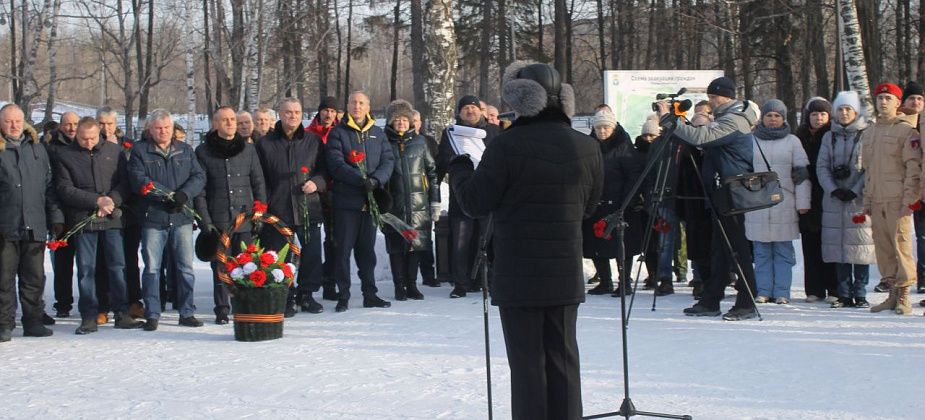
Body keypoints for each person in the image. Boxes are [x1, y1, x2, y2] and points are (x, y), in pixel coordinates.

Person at [449, 62, 602, 420]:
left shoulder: (506, 146)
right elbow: (591, 205)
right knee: (563, 360)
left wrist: (459, 169)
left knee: (528, 366)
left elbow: (474, 202)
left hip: (518, 272)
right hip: (565, 270)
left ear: (520, 99)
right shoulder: (587, 146)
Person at [656, 76, 759, 321]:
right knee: (720, 247)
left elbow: (701, 138)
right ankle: (712, 298)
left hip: (733, 191)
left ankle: (747, 300)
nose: (711, 101)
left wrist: (669, 120)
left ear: (728, 97)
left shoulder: (735, 120)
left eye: (715, 97)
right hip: (720, 190)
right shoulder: (725, 119)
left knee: (736, 248)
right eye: (711, 96)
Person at [54, 117, 145, 334]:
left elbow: (125, 183)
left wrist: (111, 200)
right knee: (87, 269)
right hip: (84, 220)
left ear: (99, 135)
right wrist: (96, 201)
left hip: (112, 218)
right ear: (77, 135)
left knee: (117, 266)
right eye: (84, 139)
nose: (88, 143)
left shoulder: (115, 151)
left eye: (92, 138)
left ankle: (122, 312)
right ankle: (89, 315)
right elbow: (65, 188)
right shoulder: (65, 156)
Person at [127, 110, 206, 331]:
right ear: (150, 129)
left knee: (185, 268)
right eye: (158, 128)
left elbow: (199, 176)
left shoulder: (185, 150)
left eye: (167, 128)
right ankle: (152, 313)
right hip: (154, 217)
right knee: (152, 268)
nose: (163, 132)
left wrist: (183, 195)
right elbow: (138, 179)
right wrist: (165, 196)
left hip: (181, 217)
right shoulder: (140, 151)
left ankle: (186, 311)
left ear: (173, 129)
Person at [194, 106, 267, 323]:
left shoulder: (247, 149)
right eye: (224, 120)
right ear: (215, 124)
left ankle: (243, 305)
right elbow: (200, 192)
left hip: (244, 218)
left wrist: (259, 213)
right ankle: (222, 309)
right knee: (221, 267)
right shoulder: (203, 152)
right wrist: (205, 221)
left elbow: (258, 182)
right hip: (218, 221)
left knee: (245, 265)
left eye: (232, 119)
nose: (230, 123)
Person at [256, 98, 328, 316]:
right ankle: (285, 295)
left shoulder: (313, 141)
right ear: (280, 114)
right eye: (288, 112)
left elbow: (325, 171)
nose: (293, 116)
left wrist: (317, 183)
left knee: (312, 253)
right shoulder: (265, 144)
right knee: (279, 256)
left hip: (308, 207)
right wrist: (264, 206)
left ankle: (307, 294)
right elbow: (259, 178)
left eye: (297, 112)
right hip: (278, 210)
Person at [326, 91, 395, 312]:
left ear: (368, 106)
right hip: (347, 202)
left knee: (367, 251)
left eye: (361, 103)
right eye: (353, 103)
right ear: (347, 106)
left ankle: (370, 293)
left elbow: (388, 160)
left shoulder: (377, 133)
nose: (357, 106)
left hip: (370, 200)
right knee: (343, 250)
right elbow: (335, 163)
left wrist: (376, 180)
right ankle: (343, 295)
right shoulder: (339, 133)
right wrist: (359, 179)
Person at [0, 104, 62, 342]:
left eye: (17, 121)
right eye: (8, 121)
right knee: (4, 278)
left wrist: (55, 218)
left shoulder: (37, 149)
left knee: (34, 277)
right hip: (6, 226)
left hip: (34, 224)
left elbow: (49, 187)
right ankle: (4, 324)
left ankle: (33, 321)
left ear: (24, 121)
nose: (14, 126)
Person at [744, 100, 811, 305]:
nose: (773, 119)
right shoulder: (750, 140)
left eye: (777, 116)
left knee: (783, 251)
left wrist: (803, 201)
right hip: (757, 203)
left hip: (784, 202)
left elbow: (801, 175)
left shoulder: (793, 141)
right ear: (762, 118)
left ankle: (782, 291)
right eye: (769, 115)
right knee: (761, 252)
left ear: (784, 118)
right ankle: (763, 290)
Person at [863, 83, 921, 315]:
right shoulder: (870, 132)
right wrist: (867, 199)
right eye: (880, 98)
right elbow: (867, 170)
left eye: (888, 98)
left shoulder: (907, 131)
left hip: (897, 199)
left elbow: (913, 167)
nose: (883, 102)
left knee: (901, 245)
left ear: (898, 103)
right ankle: (892, 294)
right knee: (883, 247)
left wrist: (910, 200)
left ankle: (904, 294)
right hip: (877, 198)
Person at [436, 94, 501, 298]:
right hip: (461, 196)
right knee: (460, 244)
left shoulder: (494, 132)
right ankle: (461, 284)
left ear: (480, 111)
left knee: (488, 242)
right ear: (459, 112)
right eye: (465, 108)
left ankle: (490, 282)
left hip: (487, 196)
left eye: (473, 107)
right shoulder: (451, 134)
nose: (470, 111)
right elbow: (443, 160)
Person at [817, 91, 875, 308]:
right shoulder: (828, 136)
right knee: (838, 247)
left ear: (855, 111)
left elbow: (870, 168)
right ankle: (843, 293)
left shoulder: (867, 134)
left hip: (858, 199)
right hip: (833, 199)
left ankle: (860, 292)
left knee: (860, 246)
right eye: (840, 109)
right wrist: (832, 189)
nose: (843, 113)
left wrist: (855, 189)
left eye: (847, 109)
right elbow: (821, 166)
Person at [382, 99, 440, 300]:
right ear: (390, 122)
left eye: (404, 119)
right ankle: (399, 286)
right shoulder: (384, 143)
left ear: (410, 121)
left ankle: (412, 284)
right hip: (393, 206)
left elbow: (432, 173)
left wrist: (435, 202)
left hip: (418, 205)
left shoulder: (420, 142)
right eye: (396, 119)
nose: (401, 123)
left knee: (415, 245)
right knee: (396, 246)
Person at [584, 109, 642, 297]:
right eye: (599, 128)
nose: (602, 131)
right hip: (596, 202)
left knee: (621, 245)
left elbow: (633, 175)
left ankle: (624, 282)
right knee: (595, 243)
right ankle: (605, 280)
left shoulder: (623, 146)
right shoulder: (591, 146)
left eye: (606, 128)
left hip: (619, 203)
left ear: (613, 128)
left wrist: (627, 202)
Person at [795, 97, 839, 303]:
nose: (818, 118)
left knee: (828, 242)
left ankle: (833, 287)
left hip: (827, 194)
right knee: (809, 243)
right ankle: (814, 288)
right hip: (805, 194)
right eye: (814, 114)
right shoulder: (800, 136)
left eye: (822, 114)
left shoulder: (834, 135)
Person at [306, 96, 341, 300]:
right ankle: (310, 282)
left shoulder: (340, 132)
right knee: (312, 241)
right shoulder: (309, 134)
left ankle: (330, 282)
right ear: (319, 112)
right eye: (325, 110)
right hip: (314, 192)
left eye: (333, 111)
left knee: (334, 240)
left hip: (336, 192)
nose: (328, 114)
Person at [47, 112, 80, 319]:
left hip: (84, 212)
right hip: (62, 213)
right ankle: (63, 303)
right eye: (67, 124)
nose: (71, 128)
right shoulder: (51, 149)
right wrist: (55, 217)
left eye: (75, 124)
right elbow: (51, 186)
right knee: (62, 264)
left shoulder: (86, 145)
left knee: (88, 263)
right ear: (60, 126)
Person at [412, 110, 441, 287]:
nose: (414, 124)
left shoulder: (427, 141)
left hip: (424, 195)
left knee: (425, 239)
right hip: (408, 196)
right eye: (411, 120)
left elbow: (434, 169)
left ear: (420, 122)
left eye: (416, 120)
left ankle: (428, 274)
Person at [901, 81, 925, 295]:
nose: (916, 102)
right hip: (906, 187)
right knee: (913, 236)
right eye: (912, 98)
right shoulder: (901, 124)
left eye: (919, 98)